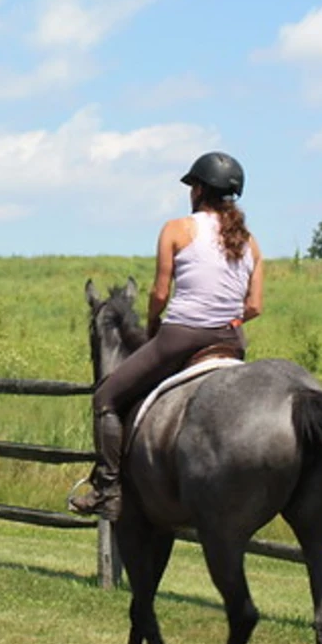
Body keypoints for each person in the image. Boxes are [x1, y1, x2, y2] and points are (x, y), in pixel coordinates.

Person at [69, 151, 264, 520]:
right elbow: (254, 306)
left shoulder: (177, 229)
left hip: (181, 337)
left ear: (199, 189)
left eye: (192, 186)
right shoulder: (250, 243)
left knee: (106, 398)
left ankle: (108, 490)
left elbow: (159, 293)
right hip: (231, 343)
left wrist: (155, 326)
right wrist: (228, 321)